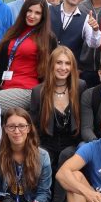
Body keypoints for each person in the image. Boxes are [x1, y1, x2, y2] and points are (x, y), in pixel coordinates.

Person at [0, 0, 56, 111]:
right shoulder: (14, 31)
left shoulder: (48, 38)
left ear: (43, 16)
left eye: (37, 13)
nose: (32, 16)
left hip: (27, 90)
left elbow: (50, 70)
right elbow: (2, 60)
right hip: (4, 86)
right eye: (29, 11)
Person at [29, 46, 84, 177]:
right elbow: (34, 126)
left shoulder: (80, 87)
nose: (63, 68)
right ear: (51, 65)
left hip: (72, 144)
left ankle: (57, 199)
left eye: (67, 63)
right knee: (42, 156)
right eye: (59, 62)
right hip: (46, 144)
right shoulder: (38, 91)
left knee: (66, 156)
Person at [50, 0, 101, 67]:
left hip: (69, 71)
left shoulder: (86, 18)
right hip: (45, 67)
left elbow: (94, 44)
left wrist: (95, 30)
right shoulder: (48, 11)